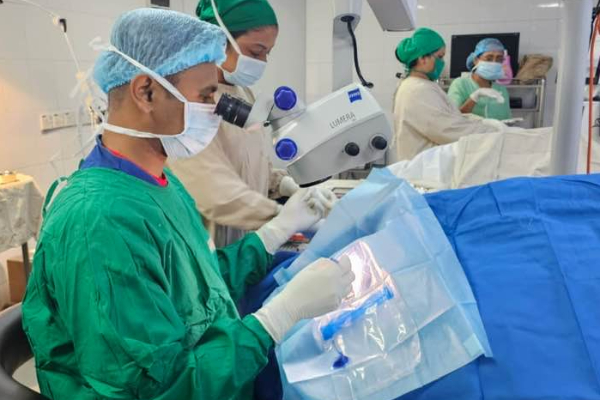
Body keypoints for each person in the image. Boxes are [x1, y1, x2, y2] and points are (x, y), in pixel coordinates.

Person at [22, 9, 354, 400]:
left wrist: (274, 232)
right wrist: (276, 319)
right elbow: (157, 390)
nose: (217, 110)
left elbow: (198, 287)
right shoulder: (100, 221)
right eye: (206, 96)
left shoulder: (160, 183)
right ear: (146, 92)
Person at [169, 0, 306, 247]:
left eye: (267, 52)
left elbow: (250, 164)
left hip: (249, 243)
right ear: (218, 42)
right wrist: (283, 217)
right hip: (212, 249)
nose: (263, 62)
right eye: (255, 52)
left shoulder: (243, 93)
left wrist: (283, 184)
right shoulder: (190, 102)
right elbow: (216, 194)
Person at [392, 28, 498, 162]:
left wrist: (480, 122)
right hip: (425, 167)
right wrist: (492, 131)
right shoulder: (417, 90)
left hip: (427, 163)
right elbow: (448, 130)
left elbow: (448, 117)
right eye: (440, 57)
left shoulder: (422, 85)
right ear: (422, 58)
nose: (442, 63)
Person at [447, 38, 512, 120]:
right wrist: (474, 97)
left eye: (499, 59)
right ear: (475, 60)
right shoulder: (460, 84)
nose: (494, 63)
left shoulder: (501, 89)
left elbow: (507, 119)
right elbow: (452, 117)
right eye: (489, 58)